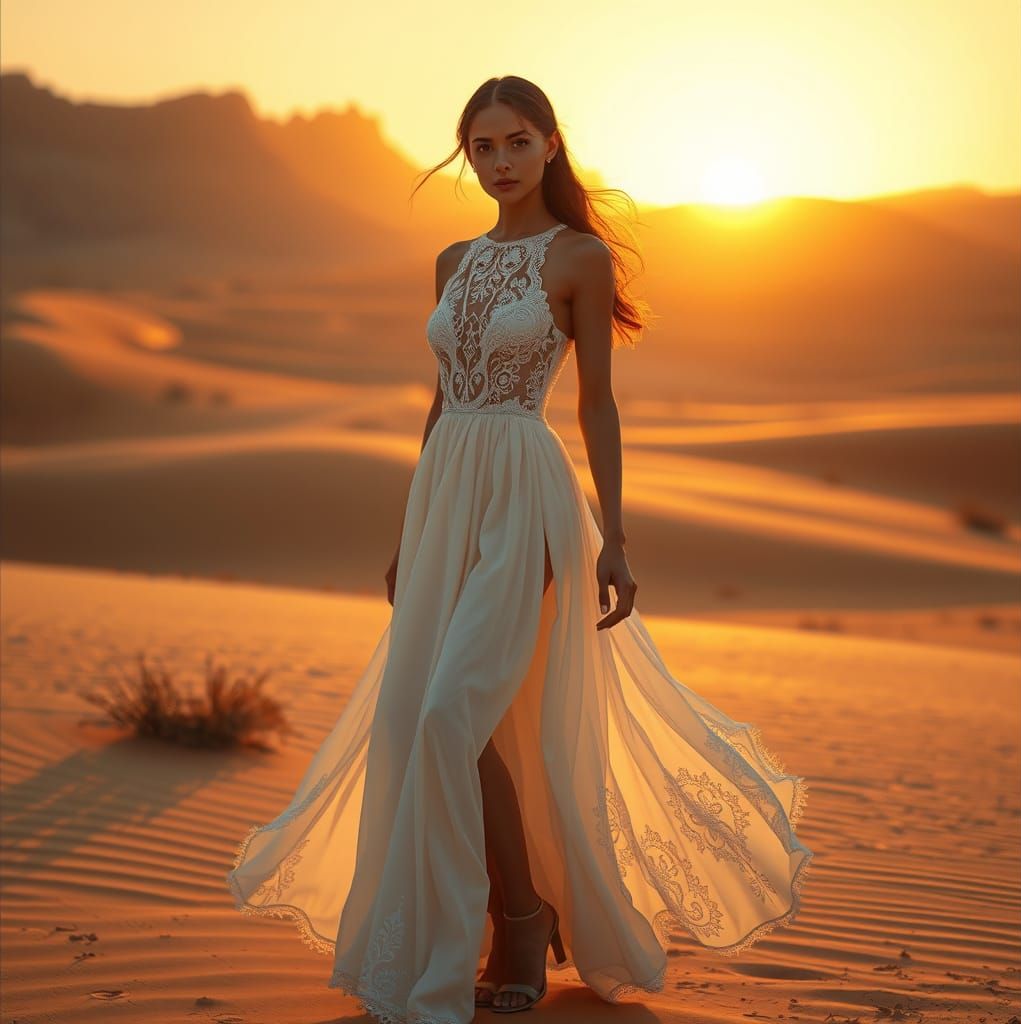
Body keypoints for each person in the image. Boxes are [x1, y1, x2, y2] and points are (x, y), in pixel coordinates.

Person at [227, 75, 813, 1024]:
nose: (499, 163)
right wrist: (410, 531)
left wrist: (613, 540)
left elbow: (597, 405)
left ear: (549, 144)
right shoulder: (451, 259)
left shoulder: (578, 257)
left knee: (449, 718)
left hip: (527, 497)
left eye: (515, 143)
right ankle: (516, 914)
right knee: (436, 717)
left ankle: (520, 921)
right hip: (447, 496)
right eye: (482, 148)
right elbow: (441, 395)